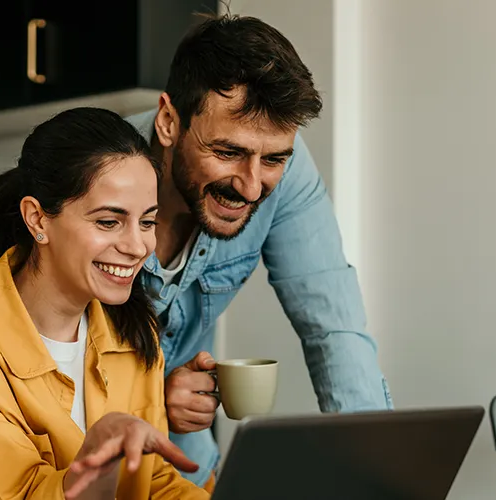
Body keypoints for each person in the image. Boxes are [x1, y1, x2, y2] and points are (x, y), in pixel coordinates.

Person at [0, 107, 209, 500]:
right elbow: (26, 495)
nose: (138, 247)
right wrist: (98, 457)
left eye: (147, 222)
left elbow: (153, 484)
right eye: (108, 221)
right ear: (38, 219)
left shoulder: (134, 334)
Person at [123, 14, 396, 487]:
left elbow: (334, 327)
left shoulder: (288, 172)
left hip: (187, 465)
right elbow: (36, 371)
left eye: (272, 159)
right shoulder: (93, 177)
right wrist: (146, 399)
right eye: (227, 152)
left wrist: (373, 472)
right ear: (170, 121)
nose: (251, 187)